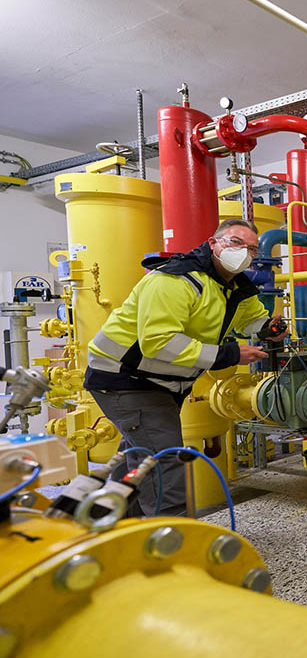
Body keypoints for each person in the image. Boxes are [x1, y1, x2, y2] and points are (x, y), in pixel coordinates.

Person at [84, 218, 287, 516]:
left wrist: (267, 327)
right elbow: (158, 342)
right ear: (213, 243)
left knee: (138, 456)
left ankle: (104, 522)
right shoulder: (175, 280)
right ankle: (172, 543)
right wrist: (228, 355)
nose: (244, 252)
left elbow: (250, 319)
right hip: (127, 379)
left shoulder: (234, 286)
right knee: (163, 462)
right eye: (236, 242)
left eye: (252, 249)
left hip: (160, 384)